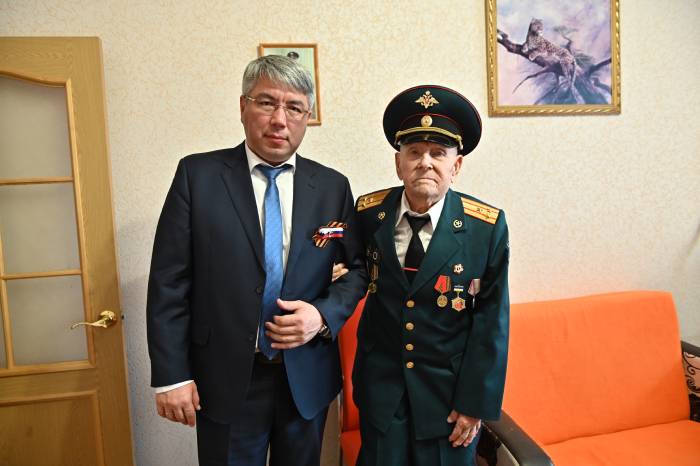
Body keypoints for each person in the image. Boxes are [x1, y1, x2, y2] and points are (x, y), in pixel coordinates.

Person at [146, 55, 367, 466]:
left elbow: (357, 270)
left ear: (307, 117)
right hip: (224, 377)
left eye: (294, 107)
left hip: (305, 378)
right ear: (243, 106)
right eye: (267, 103)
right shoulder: (198, 177)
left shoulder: (332, 187)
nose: (280, 120)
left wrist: (321, 315)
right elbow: (168, 283)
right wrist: (171, 376)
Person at [352, 85, 510, 466]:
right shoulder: (368, 214)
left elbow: (492, 322)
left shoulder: (485, 228)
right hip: (382, 394)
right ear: (399, 163)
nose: (425, 162)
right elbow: (349, 275)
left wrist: (475, 404)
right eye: (414, 152)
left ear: (456, 166)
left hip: (449, 401)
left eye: (438, 153)